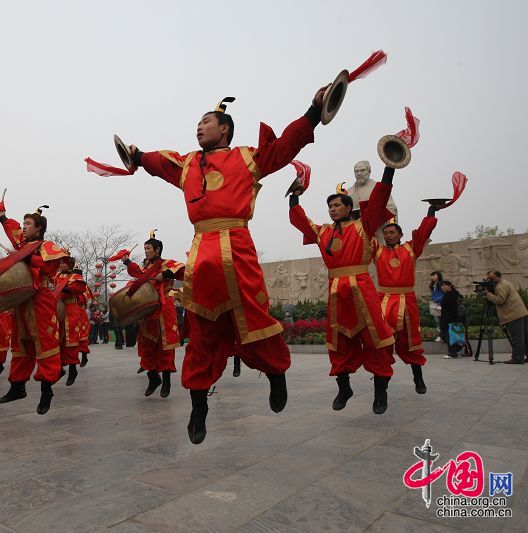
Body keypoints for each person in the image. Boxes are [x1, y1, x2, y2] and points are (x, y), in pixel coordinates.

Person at [124, 87, 328, 443]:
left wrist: (313, 110)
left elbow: (283, 148)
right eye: (198, 123)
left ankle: (276, 374)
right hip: (201, 253)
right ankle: (198, 405)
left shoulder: (247, 159)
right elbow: (159, 163)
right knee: (202, 331)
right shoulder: (187, 164)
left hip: (238, 248)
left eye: (207, 122)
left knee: (256, 319)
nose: (199, 128)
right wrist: (137, 155)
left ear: (225, 129)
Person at [289, 166, 397, 415]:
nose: (332, 209)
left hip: (362, 288)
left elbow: (380, 201)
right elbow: (302, 223)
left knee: (377, 339)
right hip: (337, 292)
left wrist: (389, 169)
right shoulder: (324, 231)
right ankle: (344, 387)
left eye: (337, 205)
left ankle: (380, 393)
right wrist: (294, 198)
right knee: (338, 342)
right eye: (330, 206)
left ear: (349, 208)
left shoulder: (364, 226)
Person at [0, 205, 68, 415]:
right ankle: (17, 387)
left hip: (41, 300)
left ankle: (47, 392)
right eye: (24, 223)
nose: (23, 227)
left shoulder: (46, 247)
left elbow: (48, 267)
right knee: (19, 344)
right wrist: (3, 218)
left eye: (28, 224)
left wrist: (25, 257)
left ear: (38, 228)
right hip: (22, 301)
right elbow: (13, 230)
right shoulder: (23, 245)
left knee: (45, 345)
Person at [374, 207, 438, 394]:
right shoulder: (377, 251)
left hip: (406, 299)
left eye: (392, 232)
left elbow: (424, 232)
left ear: (401, 234)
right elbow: (363, 236)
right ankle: (382, 383)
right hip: (384, 299)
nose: (388, 236)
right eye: (385, 233)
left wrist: (431, 213)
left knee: (411, 340)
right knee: (384, 341)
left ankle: (418, 376)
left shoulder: (411, 248)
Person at [122, 231, 185, 398]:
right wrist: (126, 261)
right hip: (148, 310)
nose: (146, 251)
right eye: (145, 248)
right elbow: (137, 272)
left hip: (164, 309)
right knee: (147, 345)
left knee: (165, 347)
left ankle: (167, 382)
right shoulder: (146, 267)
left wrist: (163, 275)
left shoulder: (166, 264)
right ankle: (153, 377)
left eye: (148, 248)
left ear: (157, 250)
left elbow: (183, 270)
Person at [482, 270, 528, 364]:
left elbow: (500, 300)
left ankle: (517, 358)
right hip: (520, 312)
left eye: (491, 278)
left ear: (498, 277)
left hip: (513, 315)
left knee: (517, 338)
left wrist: (487, 294)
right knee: (524, 337)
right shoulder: (505, 282)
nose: (490, 280)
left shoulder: (500, 287)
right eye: (488, 278)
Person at [54, 256, 87, 385]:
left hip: (70, 309)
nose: (60, 265)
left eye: (63, 263)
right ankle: (59, 368)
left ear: (70, 265)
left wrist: (64, 288)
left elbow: (79, 289)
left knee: (71, 340)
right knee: (58, 340)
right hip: (58, 309)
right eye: (60, 262)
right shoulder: (57, 276)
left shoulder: (75, 277)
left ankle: (73, 368)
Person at [440, 280, 464, 359]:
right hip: (447, 317)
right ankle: (457, 349)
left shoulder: (453, 295)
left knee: (449, 335)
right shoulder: (448, 294)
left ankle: (452, 353)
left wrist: (455, 320)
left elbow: (453, 308)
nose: (442, 287)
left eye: (444, 285)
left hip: (451, 318)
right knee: (447, 335)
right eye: (442, 286)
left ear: (450, 286)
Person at [428, 271, 444, 341]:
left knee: (442, 320)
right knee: (437, 321)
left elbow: (444, 294)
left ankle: (443, 335)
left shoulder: (441, 284)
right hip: (434, 304)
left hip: (441, 304)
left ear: (438, 276)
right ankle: (440, 335)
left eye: (434, 275)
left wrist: (437, 300)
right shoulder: (431, 285)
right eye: (432, 275)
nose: (433, 276)